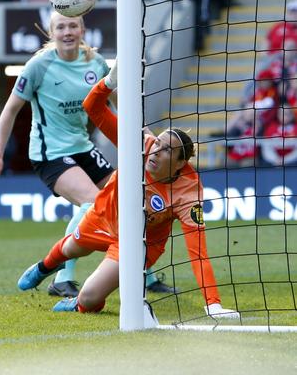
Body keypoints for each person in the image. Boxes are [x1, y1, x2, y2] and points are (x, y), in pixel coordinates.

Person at [16, 63, 239, 319]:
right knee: (68, 250)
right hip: (104, 216)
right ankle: (44, 267)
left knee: (90, 299)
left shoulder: (188, 194)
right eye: (157, 142)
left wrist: (213, 304)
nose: (156, 150)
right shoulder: (139, 145)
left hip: (138, 243)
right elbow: (92, 108)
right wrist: (108, 82)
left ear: (180, 163)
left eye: (166, 150)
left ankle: (78, 301)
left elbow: (198, 252)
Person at [0, 11, 115, 298]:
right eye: (61, 27)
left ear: (82, 30)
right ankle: (62, 278)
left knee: (127, 198)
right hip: (49, 153)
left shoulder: (96, 63)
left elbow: (114, 107)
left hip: (83, 147)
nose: (67, 32)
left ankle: (147, 274)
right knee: (94, 204)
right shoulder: (38, 66)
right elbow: (9, 111)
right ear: (51, 33)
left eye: (72, 26)